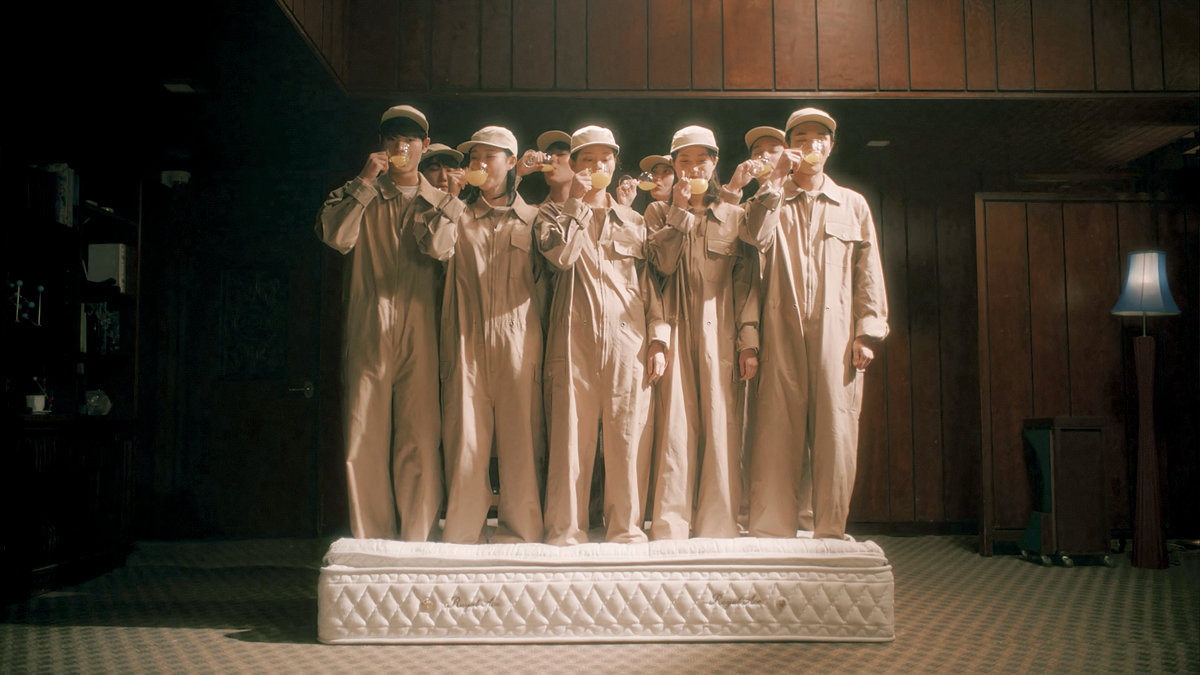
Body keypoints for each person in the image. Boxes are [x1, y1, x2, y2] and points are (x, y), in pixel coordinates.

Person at [315, 104, 463, 540]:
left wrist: (447, 201)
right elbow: (335, 237)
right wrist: (365, 183)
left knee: (420, 436)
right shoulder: (356, 194)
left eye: (411, 139)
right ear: (380, 144)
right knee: (363, 434)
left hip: (422, 328)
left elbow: (443, 250)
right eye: (393, 138)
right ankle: (372, 538)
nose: (402, 146)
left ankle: (417, 538)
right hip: (368, 325)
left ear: (424, 145)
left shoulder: (440, 201)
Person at [742, 107, 888, 540]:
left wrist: (866, 331)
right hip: (778, 328)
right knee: (775, 430)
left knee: (836, 432)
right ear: (789, 145)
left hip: (836, 334)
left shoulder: (852, 204)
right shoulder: (768, 199)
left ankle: (829, 529)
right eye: (801, 138)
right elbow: (754, 239)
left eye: (819, 138)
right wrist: (773, 183)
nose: (811, 145)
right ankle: (771, 531)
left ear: (831, 146)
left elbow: (868, 271)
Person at [536, 125, 669, 545]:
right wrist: (575, 205)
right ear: (574, 165)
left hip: (629, 343)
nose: (597, 167)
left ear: (615, 164)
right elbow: (561, 257)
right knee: (570, 440)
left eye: (605, 159)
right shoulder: (551, 216)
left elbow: (649, 286)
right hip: (571, 342)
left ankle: (626, 530)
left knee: (628, 438)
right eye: (587, 159)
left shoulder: (634, 220)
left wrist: (658, 339)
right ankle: (565, 531)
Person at [424, 126, 548, 544]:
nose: (478, 164)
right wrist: (451, 199)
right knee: (466, 444)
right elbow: (436, 249)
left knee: (522, 444)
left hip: (520, 345)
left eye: (488, 157)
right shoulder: (457, 215)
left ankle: (521, 535)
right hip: (466, 343)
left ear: (511, 162)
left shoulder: (534, 219)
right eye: (474, 157)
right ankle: (462, 535)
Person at [645, 125, 760, 540]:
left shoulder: (734, 216)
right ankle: (670, 525)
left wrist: (748, 341)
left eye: (701, 160)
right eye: (684, 161)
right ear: (674, 165)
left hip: (720, 331)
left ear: (715, 163)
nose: (693, 168)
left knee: (720, 424)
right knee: (674, 427)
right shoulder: (656, 213)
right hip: (674, 327)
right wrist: (678, 212)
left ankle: (718, 525)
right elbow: (657, 270)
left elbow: (746, 283)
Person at [720, 126, 786, 205]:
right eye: (758, 153)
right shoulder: (748, 208)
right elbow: (722, 212)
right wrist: (734, 187)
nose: (765, 156)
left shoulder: (797, 199)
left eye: (773, 151)